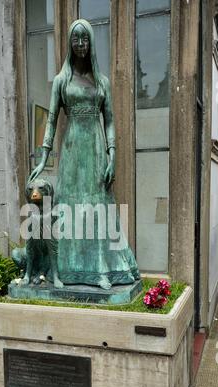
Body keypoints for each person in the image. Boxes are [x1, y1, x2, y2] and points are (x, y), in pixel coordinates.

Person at [29, 19, 140, 289]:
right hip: (71, 151)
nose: (80, 44)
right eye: (75, 39)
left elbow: (110, 120)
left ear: (91, 43)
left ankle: (102, 269)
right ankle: (66, 271)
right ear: (69, 43)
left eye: (85, 39)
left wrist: (112, 154)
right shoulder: (60, 80)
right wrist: (43, 158)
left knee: (99, 208)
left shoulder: (102, 82)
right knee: (68, 209)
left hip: (96, 150)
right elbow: (52, 120)